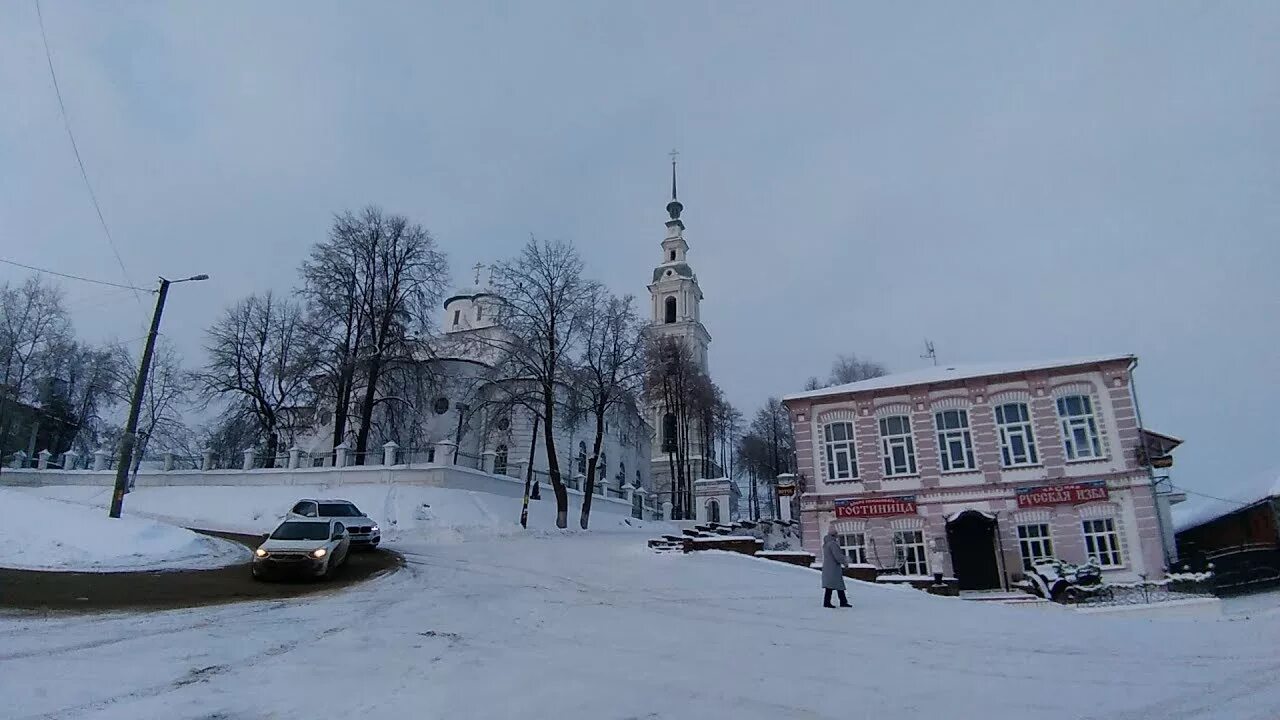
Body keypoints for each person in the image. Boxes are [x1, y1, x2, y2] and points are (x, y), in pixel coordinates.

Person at [821, 526, 851, 608]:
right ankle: (833, 602)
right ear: (834, 535)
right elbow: (837, 556)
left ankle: (841, 601)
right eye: (836, 534)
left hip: (828, 568)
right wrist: (845, 562)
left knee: (832, 585)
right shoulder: (833, 544)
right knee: (836, 585)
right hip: (833, 568)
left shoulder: (826, 544)